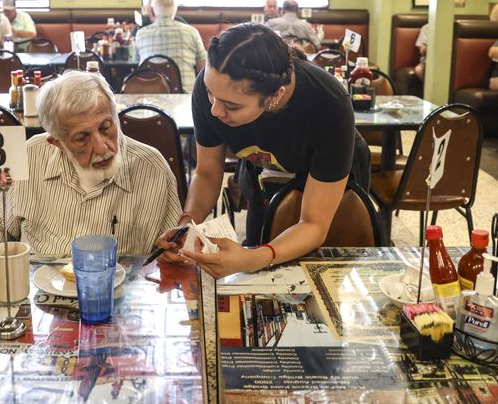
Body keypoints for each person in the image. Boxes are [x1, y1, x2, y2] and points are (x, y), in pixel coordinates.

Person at [155, 24, 370, 279]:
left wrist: (254, 257)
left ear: (274, 96)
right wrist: (187, 224)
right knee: (259, 260)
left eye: (232, 106)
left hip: (330, 175)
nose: (215, 111)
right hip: (263, 171)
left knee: (324, 270)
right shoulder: (212, 90)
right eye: (211, 95)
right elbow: (207, 173)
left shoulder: (328, 102)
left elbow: (314, 224)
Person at [0, 71, 182, 255]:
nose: (102, 147)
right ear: (57, 142)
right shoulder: (31, 156)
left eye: (105, 128)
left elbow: (172, 250)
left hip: (119, 291)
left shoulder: (152, 168)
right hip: (38, 289)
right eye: (82, 138)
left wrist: (174, 253)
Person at [135, 0, 206, 92]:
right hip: (185, 99)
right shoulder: (191, 32)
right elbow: (203, 67)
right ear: (175, 10)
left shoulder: (141, 34)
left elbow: (138, 66)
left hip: (151, 98)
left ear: (152, 11)